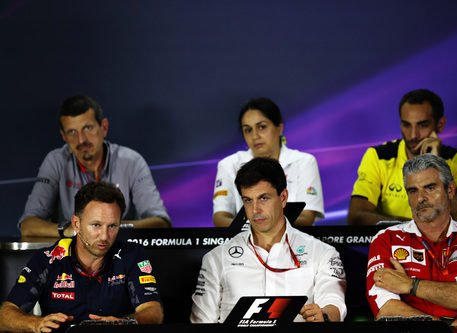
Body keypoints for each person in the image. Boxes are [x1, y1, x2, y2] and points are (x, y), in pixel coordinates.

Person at [192, 157, 346, 323]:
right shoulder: (216, 259)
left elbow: (334, 304)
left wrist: (323, 315)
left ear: (283, 198)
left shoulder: (322, 253)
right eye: (248, 200)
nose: (255, 210)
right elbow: (202, 323)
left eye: (263, 198)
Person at [0, 182, 164, 332]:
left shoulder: (132, 254)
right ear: (76, 224)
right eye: (96, 225)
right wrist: (36, 324)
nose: (104, 236)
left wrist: (123, 323)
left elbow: (153, 311)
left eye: (112, 226)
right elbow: (5, 315)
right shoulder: (48, 259)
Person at [366, 154, 457, 327]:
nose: (420, 198)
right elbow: (386, 309)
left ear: (450, 190)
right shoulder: (386, 238)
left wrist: (410, 285)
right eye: (413, 190)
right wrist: (448, 328)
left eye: (430, 188)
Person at [19, 94, 171, 238]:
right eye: (72, 131)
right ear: (63, 136)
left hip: (122, 256)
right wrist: (70, 230)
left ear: (104, 128)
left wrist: (111, 228)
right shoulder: (55, 161)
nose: (81, 140)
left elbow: (161, 223)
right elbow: (28, 225)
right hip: (72, 258)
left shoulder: (131, 161)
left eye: (88, 128)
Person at [348, 89, 457, 226]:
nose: (413, 135)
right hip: (391, 244)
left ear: (440, 124)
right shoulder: (378, 157)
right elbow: (357, 217)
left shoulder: (456, 158)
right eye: (406, 125)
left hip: (440, 247)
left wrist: (437, 165)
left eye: (423, 125)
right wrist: (415, 229)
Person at [213, 97, 324, 227]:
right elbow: (220, 217)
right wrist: (253, 228)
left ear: (279, 128)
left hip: (295, 244)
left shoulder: (304, 162)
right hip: (245, 244)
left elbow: (306, 218)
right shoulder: (228, 165)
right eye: (248, 130)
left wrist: (266, 226)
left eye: (262, 127)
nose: (255, 136)